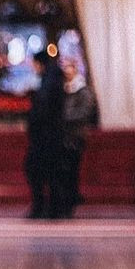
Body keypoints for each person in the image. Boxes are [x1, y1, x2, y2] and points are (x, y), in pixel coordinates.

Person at [51, 59, 97, 218]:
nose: (67, 71)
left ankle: (70, 203)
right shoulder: (62, 90)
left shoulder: (83, 90)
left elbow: (84, 112)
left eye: (69, 67)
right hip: (62, 137)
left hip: (75, 137)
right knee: (62, 172)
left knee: (71, 171)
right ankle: (64, 204)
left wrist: (62, 117)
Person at [24, 53, 64, 218]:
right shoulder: (52, 79)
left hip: (45, 136)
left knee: (39, 172)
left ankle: (44, 207)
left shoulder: (48, 82)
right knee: (49, 174)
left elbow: (43, 109)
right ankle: (51, 207)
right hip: (50, 135)